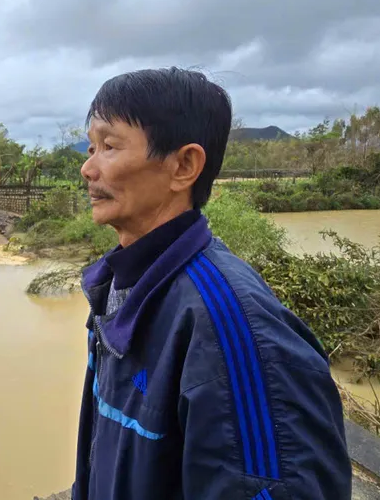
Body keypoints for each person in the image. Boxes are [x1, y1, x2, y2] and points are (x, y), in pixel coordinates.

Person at [72, 68, 351, 500]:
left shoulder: (235, 328)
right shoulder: (116, 286)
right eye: (91, 147)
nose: (87, 167)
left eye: (109, 146)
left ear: (184, 166)